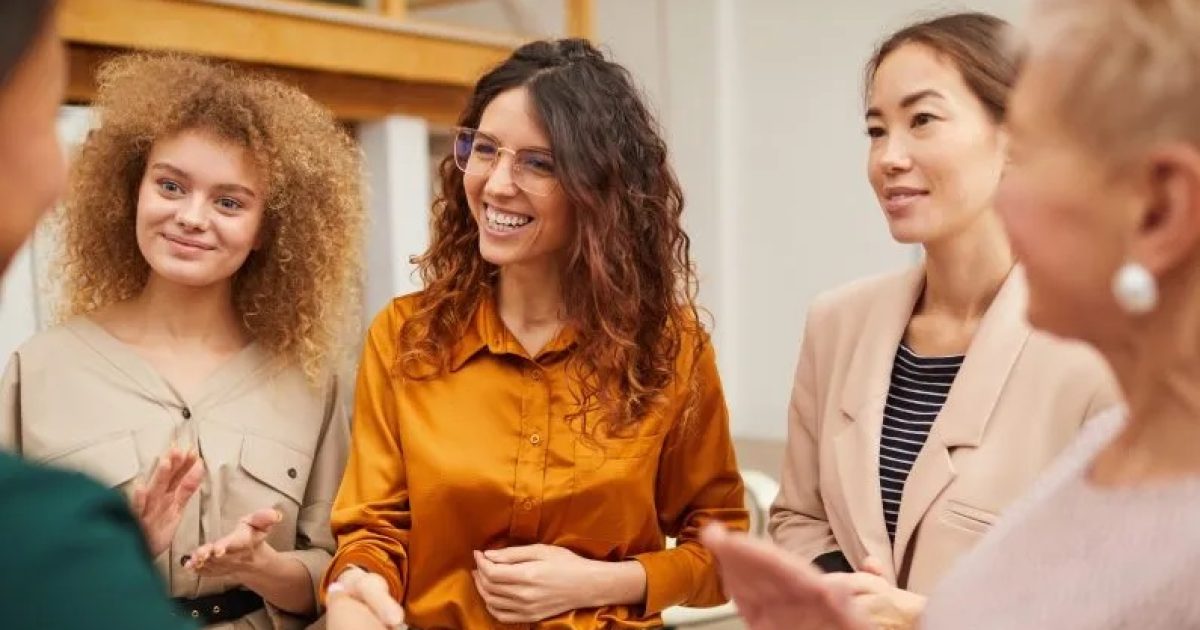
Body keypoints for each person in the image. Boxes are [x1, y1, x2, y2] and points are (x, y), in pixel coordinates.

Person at [707, 0, 1200, 627]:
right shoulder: (1118, 442)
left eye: (923, 120)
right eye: (876, 129)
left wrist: (917, 617)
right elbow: (803, 519)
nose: (888, 158)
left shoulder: (1118, 387)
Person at [321, 38, 748, 629]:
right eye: (486, 150)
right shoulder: (406, 336)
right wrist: (357, 586)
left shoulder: (669, 348)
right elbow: (373, 531)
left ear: (600, 188)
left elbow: (724, 555)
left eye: (537, 163)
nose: (496, 184)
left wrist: (605, 580)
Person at [0, 53, 364, 628]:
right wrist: (120, 552)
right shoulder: (39, 369)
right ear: (131, 189)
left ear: (268, 227)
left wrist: (263, 567)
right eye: (170, 185)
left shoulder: (312, 381)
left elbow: (340, 571)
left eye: (229, 202)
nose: (192, 217)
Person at [0, 1, 194, 628]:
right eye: (45, 114)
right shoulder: (46, 539)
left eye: (230, 200)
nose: (58, 173)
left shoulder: (313, 378)